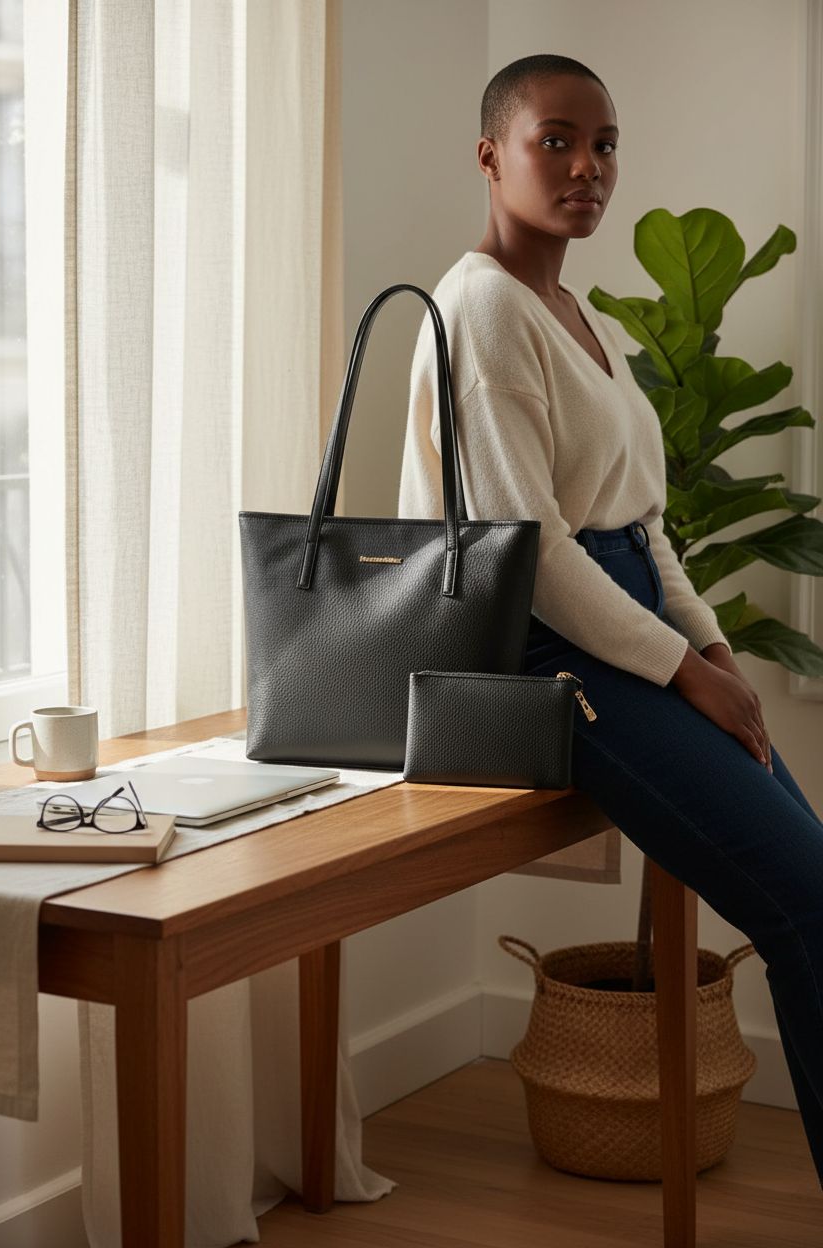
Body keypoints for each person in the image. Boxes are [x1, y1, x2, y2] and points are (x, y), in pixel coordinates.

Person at [398, 53, 823, 1189]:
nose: (587, 166)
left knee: (816, 890)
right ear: (490, 155)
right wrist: (683, 670)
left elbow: (640, 519)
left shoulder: (568, 308)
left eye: (604, 144)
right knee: (806, 906)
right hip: (557, 657)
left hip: (631, 626)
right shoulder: (481, 306)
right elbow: (529, 552)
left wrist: (716, 648)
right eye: (555, 140)